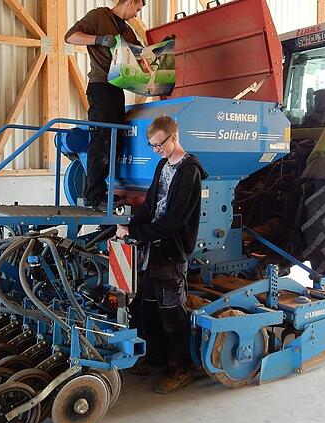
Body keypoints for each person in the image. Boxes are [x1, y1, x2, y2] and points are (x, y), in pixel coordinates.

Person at [117, 115, 207, 394]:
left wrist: (136, 235)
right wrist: (127, 225)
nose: (156, 150)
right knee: (149, 307)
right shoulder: (162, 165)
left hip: (171, 251)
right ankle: (155, 359)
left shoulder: (189, 170)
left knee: (172, 313)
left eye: (159, 144)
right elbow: (150, 205)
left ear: (174, 137)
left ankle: (180, 368)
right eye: (152, 146)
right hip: (152, 249)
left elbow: (175, 220)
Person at [64, 0, 145, 211]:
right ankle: (93, 197)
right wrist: (99, 39)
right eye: (137, 8)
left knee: (114, 143)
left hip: (118, 89)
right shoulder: (99, 16)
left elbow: (140, 55)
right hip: (100, 88)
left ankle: (96, 191)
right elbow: (70, 36)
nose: (136, 14)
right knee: (102, 139)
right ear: (130, 1)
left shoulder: (126, 30)